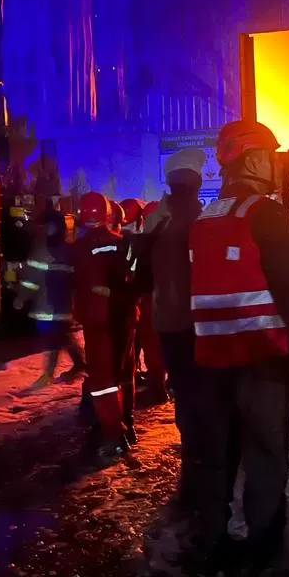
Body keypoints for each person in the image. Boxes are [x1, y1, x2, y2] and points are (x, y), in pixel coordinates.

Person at [190, 120, 289, 571]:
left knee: (217, 456)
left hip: (210, 364)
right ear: (252, 159)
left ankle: (211, 542)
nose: (275, 163)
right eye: (270, 155)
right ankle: (264, 548)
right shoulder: (264, 214)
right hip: (260, 362)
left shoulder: (203, 219)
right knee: (266, 454)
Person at [142, 147, 206, 508]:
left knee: (185, 391)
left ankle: (191, 459)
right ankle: (201, 464)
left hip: (165, 320)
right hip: (199, 323)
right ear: (196, 184)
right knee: (203, 393)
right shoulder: (203, 219)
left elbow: (137, 269)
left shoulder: (156, 220)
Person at [72, 191, 136, 457]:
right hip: (126, 316)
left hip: (98, 322)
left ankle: (114, 434)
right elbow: (134, 281)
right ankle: (127, 423)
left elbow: (79, 283)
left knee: (103, 380)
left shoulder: (79, 248)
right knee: (124, 372)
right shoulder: (123, 243)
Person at [16, 207, 84, 389]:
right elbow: (31, 278)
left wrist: (22, 297)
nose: (47, 230)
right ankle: (80, 364)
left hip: (56, 306)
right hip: (51, 306)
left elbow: (74, 279)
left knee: (55, 339)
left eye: (50, 226)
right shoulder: (59, 250)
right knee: (61, 338)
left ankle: (49, 374)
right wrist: (22, 297)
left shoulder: (62, 252)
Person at [136, 199, 167, 401]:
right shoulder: (172, 237)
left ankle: (158, 386)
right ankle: (161, 381)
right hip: (168, 299)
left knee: (153, 344)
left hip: (151, 299)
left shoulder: (149, 242)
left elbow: (141, 272)